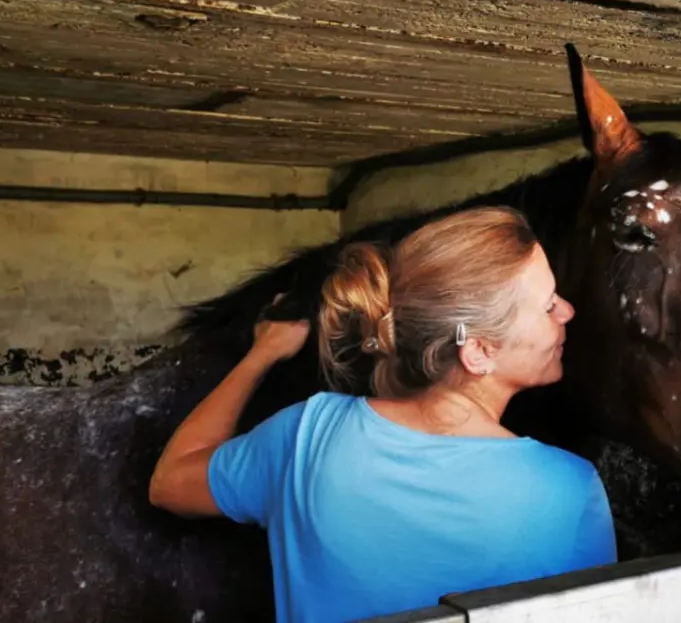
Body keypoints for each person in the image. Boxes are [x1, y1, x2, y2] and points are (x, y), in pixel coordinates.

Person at [148, 206, 618, 623]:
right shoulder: (569, 491)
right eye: (548, 305)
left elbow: (170, 483)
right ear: (477, 352)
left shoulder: (308, 435)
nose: (568, 312)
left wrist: (261, 355)